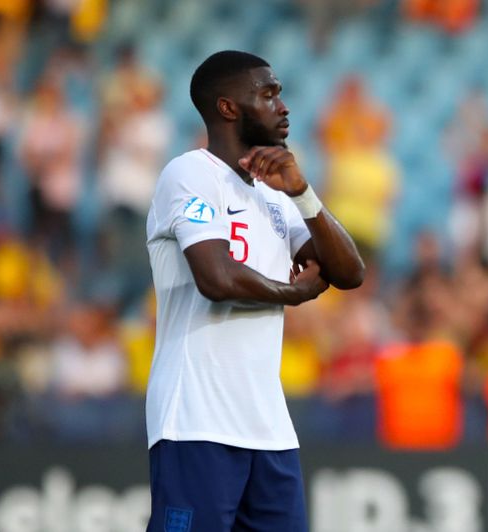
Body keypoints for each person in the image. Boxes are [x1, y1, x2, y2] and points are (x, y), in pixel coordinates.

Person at [144, 50, 364, 531]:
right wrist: (295, 293)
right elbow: (216, 278)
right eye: (268, 94)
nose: (283, 106)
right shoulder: (190, 174)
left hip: (268, 428)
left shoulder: (274, 196)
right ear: (227, 108)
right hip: (195, 420)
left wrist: (302, 192)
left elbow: (349, 272)